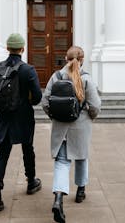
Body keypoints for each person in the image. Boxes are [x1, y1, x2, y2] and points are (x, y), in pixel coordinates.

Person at [41, 46, 101, 223]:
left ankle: (58, 199)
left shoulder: (56, 76)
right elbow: (95, 106)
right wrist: (90, 117)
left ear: (65, 58)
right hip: (80, 125)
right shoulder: (86, 79)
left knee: (61, 162)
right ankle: (81, 190)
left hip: (61, 126)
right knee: (82, 156)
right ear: (82, 60)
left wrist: (54, 116)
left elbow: (45, 102)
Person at [0, 33, 43, 213]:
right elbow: (37, 97)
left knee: (2, 154)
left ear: (7, 48)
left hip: (4, 116)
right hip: (23, 116)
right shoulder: (28, 70)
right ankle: (31, 181)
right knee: (28, 148)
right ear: (22, 49)